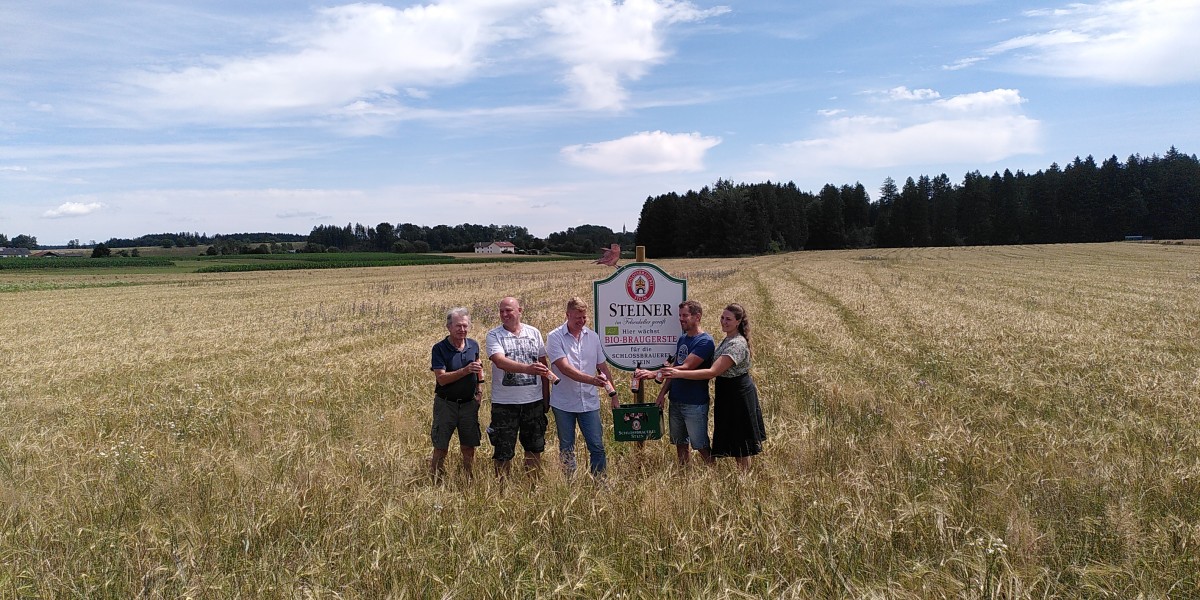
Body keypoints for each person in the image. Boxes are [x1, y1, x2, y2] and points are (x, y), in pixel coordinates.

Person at [661, 303, 765, 472]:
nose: (724, 321)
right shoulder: (727, 339)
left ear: (738, 321)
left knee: (741, 438)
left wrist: (675, 373)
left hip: (738, 393)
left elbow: (712, 372)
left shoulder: (737, 344)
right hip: (726, 392)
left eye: (728, 319)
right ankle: (736, 476)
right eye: (722, 317)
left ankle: (744, 479)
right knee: (732, 434)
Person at [635, 300, 716, 466]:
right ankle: (683, 476)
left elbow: (685, 368)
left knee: (700, 444)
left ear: (697, 317)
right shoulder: (682, 339)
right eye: (680, 315)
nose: (681, 319)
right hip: (676, 400)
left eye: (685, 315)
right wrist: (662, 394)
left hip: (694, 402)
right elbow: (675, 369)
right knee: (680, 443)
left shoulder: (705, 342)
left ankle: (714, 473)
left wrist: (653, 374)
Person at [547, 297, 618, 477]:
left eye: (584, 317)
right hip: (564, 403)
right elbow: (565, 368)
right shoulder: (554, 337)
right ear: (567, 315)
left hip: (589, 402)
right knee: (567, 446)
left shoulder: (592, 337)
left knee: (597, 445)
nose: (581, 321)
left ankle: (600, 483)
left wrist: (614, 395)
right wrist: (592, 381)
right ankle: (570, 485)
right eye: (577, 317)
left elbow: (602, 368)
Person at [485, 296, 552, 478]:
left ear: (520, 311)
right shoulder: (493, 335)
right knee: (503, 450)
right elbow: (499, 361)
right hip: (504, 403)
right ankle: (503, 490)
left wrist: (546, 398)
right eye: (501, 311)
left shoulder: (534, 333)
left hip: (533, 401)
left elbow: (543, 367)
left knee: (534, 447)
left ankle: (532, 486)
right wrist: (528, 369)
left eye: (509, 310)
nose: (505, 314)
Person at [429, 307, 485, 480]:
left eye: (465, 326)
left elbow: (478, 368)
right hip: (446, 404)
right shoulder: (439, 349)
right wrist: (465, 370)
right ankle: (436, 478)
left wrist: (479, 390)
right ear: (448, 327)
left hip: (469, 404)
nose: (462, 330)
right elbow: (442, 379)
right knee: (441, 446)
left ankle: (468, 477)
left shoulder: (473, 345)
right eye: (458, 326)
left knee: (469, 446)